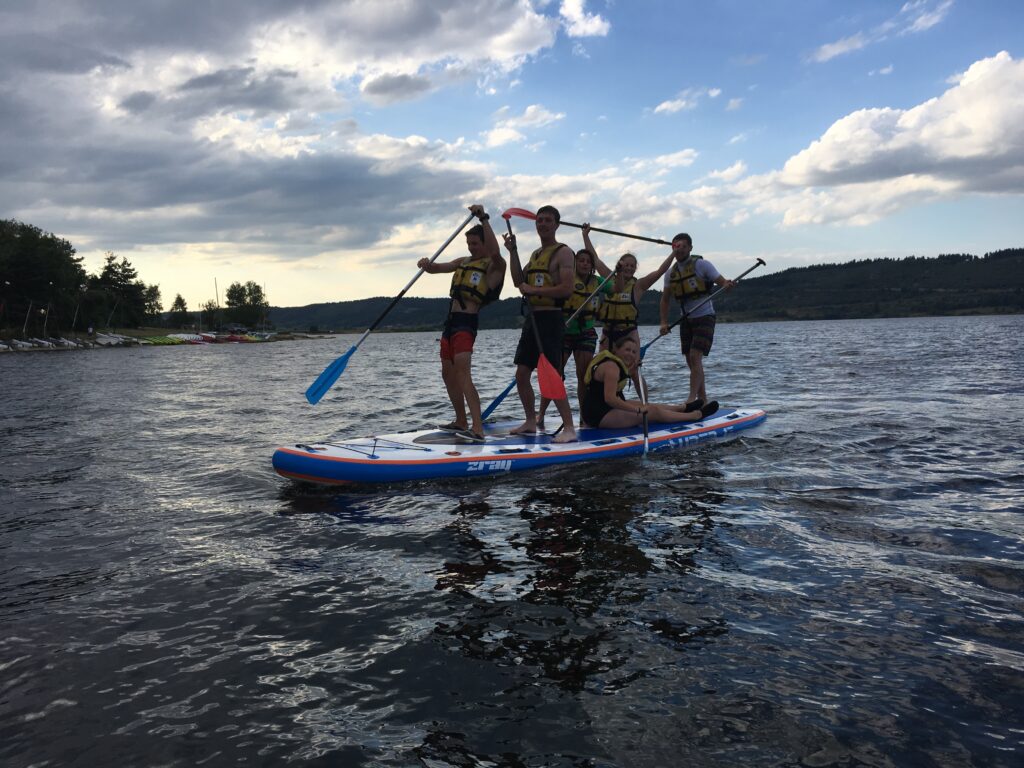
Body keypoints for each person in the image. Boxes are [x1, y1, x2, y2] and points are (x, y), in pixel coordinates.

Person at [417, 204, 505, 441]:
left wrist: (484, 218)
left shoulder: (494, 265)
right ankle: (460, 420)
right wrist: (426, 264)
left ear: (484, 243)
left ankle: (477, 428)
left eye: (475, 244)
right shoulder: (463, 261)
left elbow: (496, 252)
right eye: (469, 244)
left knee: (463, 374)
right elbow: (437, 268)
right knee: (448, 373)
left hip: (467, 322)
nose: (471, 248)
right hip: (450, 322)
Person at [503, 204, 578, 443]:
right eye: (539, 220)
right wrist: (513, 251)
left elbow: (567, 289)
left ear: (556, 224)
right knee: (522, 374)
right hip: (532, 319)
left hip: (551, 319)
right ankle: (530, 421)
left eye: (547, 220)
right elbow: (518, 281)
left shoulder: (564, 252)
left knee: (552, 374)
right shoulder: (535, 254)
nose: (542, 224)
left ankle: (569, 428)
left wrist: (534, 289)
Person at [537, 223, 612, 426]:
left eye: (588, 261)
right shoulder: (566, 278)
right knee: (555, 374)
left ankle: (585, 417)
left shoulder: (600, 283)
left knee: (584, 377)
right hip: (563, 331)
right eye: (581, 261)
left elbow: (613, 279)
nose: (585, 264)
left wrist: (586, 236)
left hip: (585, 332)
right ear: (575, 262)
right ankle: (541, 415)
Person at [658, 233, 734, 407]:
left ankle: (691, 398)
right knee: (690, 361)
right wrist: (663, 322)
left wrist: (726, 285)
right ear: (673, 248)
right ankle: (703, 400)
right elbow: (665, 299)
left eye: (684, 246)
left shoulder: (702, 265)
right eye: (677, 246)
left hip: (705, 315)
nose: (680, 249)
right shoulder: (670, 274)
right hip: (686, 317)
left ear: (690, 248)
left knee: (695, 356)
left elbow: (721, 282)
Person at [581, 336, 719, 429]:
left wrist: (633, 372)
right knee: (652, 411)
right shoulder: (612, 367)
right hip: (599, 414)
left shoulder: (616, 365)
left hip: (604, 407)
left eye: (634, 352)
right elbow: (610, 399)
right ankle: (695, 415)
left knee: (648, 405)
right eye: (627, 350)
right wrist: (637, 410)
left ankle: (683, 408)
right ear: (616, 350)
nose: (630, 354)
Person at [593, 245, 675, 402]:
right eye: (626, 265)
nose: (629, 268)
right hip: (608, 333)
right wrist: (585, 235)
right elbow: (595, 260)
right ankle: (606, 404)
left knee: (634, 371)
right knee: (604, 368)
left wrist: (673, 253)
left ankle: (645, 405)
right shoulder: (609, 279)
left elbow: (659, 272)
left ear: (635, 269)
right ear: (619, 265)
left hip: (628, 333)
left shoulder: (639, 285)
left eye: (632, 266)